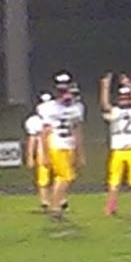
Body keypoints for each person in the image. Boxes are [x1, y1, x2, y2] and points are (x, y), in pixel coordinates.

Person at [36, 71, 85, 218]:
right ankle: (55, 206)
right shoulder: (48, 108)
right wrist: (45, 154)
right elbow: (45, 132)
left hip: (69, 145)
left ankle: (55, 203)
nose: (66, 95)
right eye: (62, 91)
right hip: (56, 145)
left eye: (67, 91)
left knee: (62, 177)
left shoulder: (77, 108)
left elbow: (77, 130)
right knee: (66, 176)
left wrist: (80, 152)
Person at [99, 74, 131, 217]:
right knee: (114, 181)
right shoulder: (115, 111)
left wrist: (130, 85)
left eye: (127, 97)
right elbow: (105, 105)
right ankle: (111, 207)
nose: (125, 100)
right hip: (118, 151)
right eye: (122, 97)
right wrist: (105, 87)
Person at [23, 93, 53, 212]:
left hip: (57, 149)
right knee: (43, 178)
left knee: (59, 177)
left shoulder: (57, 118)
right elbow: (32, 139)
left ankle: (58, 200)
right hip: (42, 152)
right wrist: (30, 156)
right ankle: (45, 202)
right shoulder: (34, 121)